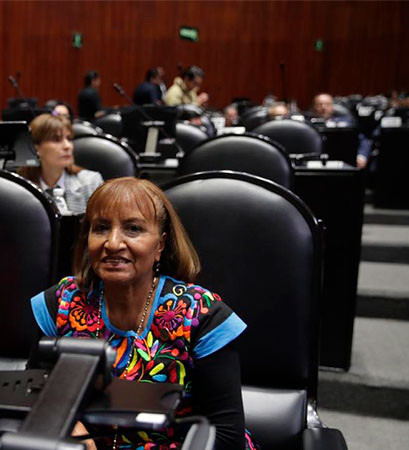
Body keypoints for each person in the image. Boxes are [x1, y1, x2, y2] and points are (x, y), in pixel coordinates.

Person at [29, 178, 256, 450]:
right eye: (101, 228)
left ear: (160, 245)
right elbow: (32, 396)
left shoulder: (198, 315)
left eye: (133, 229)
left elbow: (225, 437)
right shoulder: (63, 303)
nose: (113, 243)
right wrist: (67, 428)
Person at [18, 114, 103, 215]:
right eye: (57, 140)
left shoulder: (90, 183)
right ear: (35, 147)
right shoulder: (21, 188)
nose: (67, 146)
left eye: (69, 139)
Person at [311, 93, 372, 169]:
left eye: (327, 104)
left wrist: (361, 156)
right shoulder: (306, 125)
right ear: (313, 107)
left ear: (332, 107)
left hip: (342, 162)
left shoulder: (346, 124)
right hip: (315, 164)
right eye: (320, 104)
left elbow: (364, 141)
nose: (323, 107)